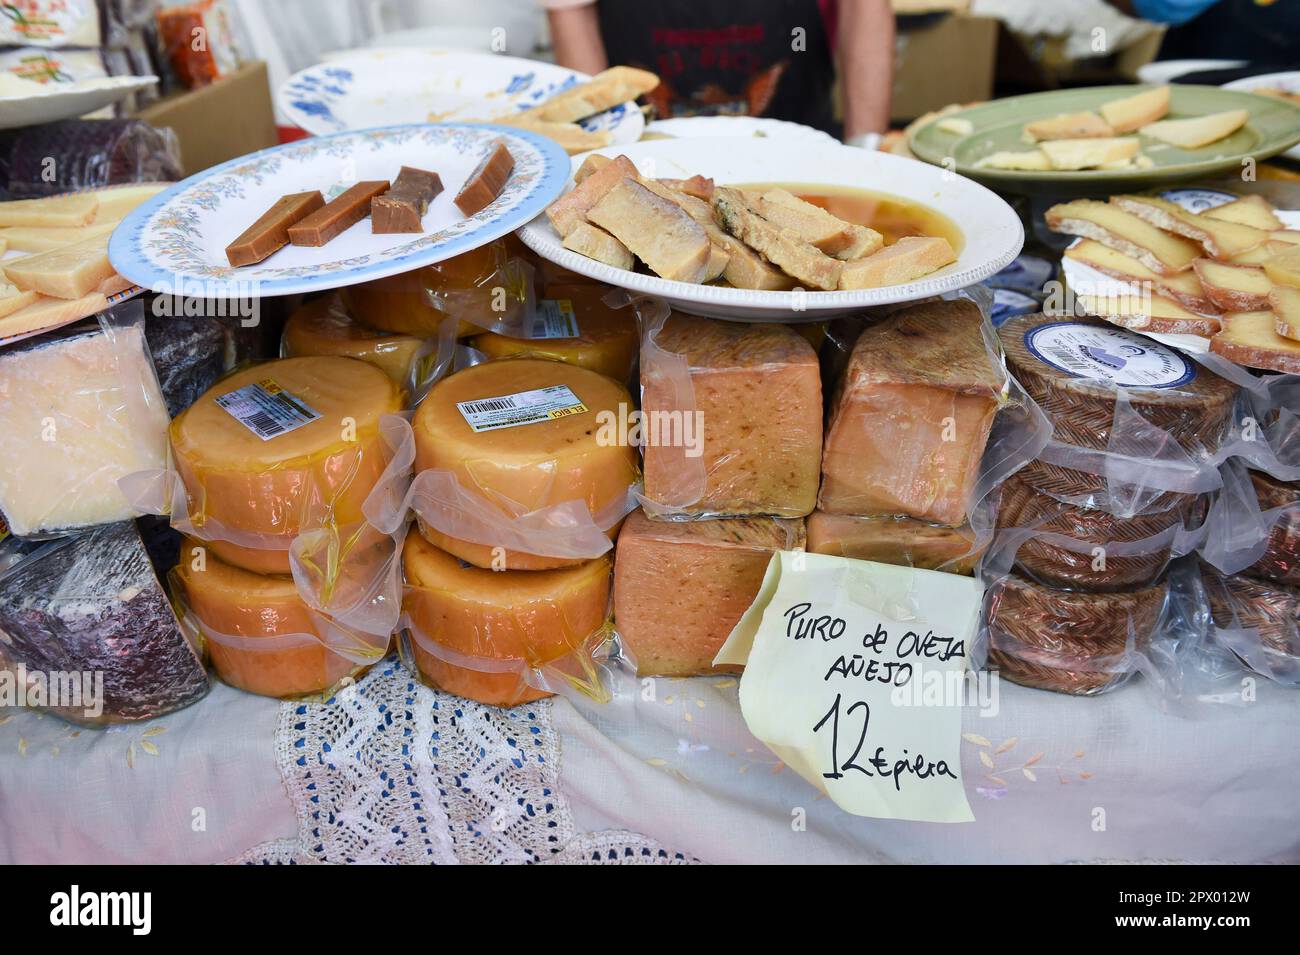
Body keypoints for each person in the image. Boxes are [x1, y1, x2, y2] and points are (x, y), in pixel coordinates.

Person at [541, 0, 894, 144]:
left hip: (801, 153)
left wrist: (865, 148)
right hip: (647, 162)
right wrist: (600, 162)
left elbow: (863, 7)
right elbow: (573, 14)